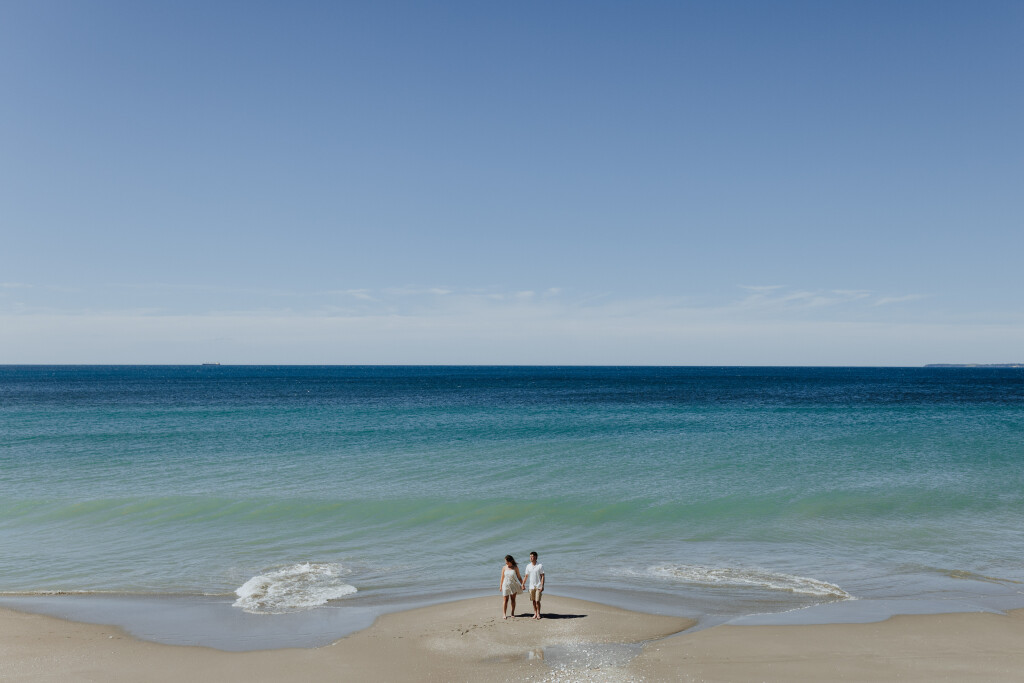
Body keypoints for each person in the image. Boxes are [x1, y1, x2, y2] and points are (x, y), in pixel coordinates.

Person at [499, 554, 524, 619]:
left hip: (513, 585)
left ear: (510, 561)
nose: (505, 562)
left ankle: (512, 613)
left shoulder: (515, 567)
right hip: (505, 585)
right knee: (505, 600)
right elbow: (502, 577)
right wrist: (500, 586)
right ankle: (504, 614)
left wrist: (522, 584)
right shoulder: (504, 567)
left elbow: (519, 577)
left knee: (513, 599)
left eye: (506, 561)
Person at [522, 551, 545, 619]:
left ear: (536, 557)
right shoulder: (528, 566)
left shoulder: (540, 565)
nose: (531, 558)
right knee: (533, 601)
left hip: (538, 586)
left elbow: (542, 576)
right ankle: (535, 613)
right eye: (530, 557)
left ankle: (538, 613)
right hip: (531, 586)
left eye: (532, 556)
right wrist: (523, 584)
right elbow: (526, 576)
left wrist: (542, 585)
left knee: (537, 600)